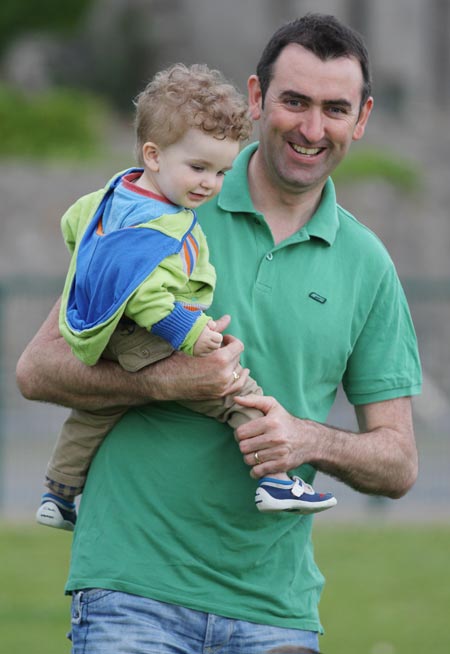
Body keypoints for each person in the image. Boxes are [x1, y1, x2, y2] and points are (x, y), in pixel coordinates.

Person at [17, 13, 421, 653]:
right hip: (132, 593)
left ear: (362, 117)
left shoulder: (368, 265)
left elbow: (398, 460)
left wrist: (304, 437)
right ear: (258, 100)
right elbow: (38, 370)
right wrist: (173, 380)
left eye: (334, 108)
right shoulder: (165, 201)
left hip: (276, 612)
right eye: (294, 101)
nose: (312, 129)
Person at [35, 63, 336, 533]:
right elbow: (151, 297)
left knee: (94, 410)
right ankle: (276, 480)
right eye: (198, 168)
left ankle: (59, 492)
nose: (209, 185)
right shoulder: (160, 224)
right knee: (237, 392)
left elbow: (75, 222)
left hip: (111, 334)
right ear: (154, 155)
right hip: (151, 334)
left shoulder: (116, 192)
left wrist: (93, 259)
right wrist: (193, 335)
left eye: (220, 172)